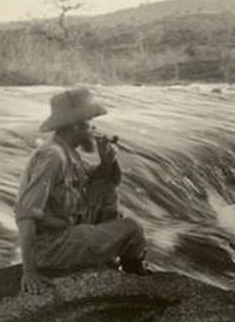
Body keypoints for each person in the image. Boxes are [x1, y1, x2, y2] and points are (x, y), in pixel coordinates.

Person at [15, 87, 148, 294]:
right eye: (90, 125)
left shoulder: (67, 153)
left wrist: (107, 161)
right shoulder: (53, 156)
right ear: (76, 126)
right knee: (133, 229)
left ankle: (116, 262)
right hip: (53, 247)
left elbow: (97, 184)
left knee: (106, 187)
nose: (95, 131)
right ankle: (132, 270)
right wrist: (29, 271)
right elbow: (25, 214)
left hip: (62, 237)